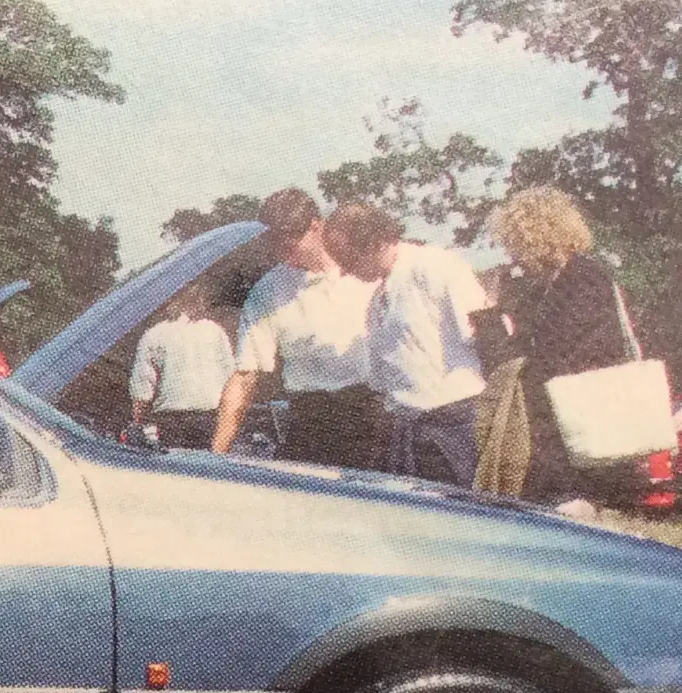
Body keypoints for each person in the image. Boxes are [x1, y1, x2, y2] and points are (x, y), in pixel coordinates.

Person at [482, 187, 635, 510]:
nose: (513, 255)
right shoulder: (544, 288)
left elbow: (549, 358)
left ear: (538, 236)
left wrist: (491, 315)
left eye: (515, 243)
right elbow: (512, 359)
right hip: (559, 431)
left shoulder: (584, 279)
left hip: (579, 427)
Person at [322, 202, 488, 487]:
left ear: (373, 242)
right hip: (407, 430)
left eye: (347, 260)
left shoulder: (435, 265)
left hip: (456, 423)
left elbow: (484, 336)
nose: (344, 272)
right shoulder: (375, 301)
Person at [210, 188, 378, 466]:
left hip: (373, 415)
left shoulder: (367, 272)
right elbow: (244, 376)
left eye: (288, 245)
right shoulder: (268, 291)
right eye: (274, 245)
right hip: (309, 420)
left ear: (315, 226)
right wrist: (216, 455)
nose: (281, 254)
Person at [126, 280, 234, 450]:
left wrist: (137, 425)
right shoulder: (215, 332)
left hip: (171, 422)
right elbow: (230, 381)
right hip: (211, 419)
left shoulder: (154, 335)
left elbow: (142, 390)